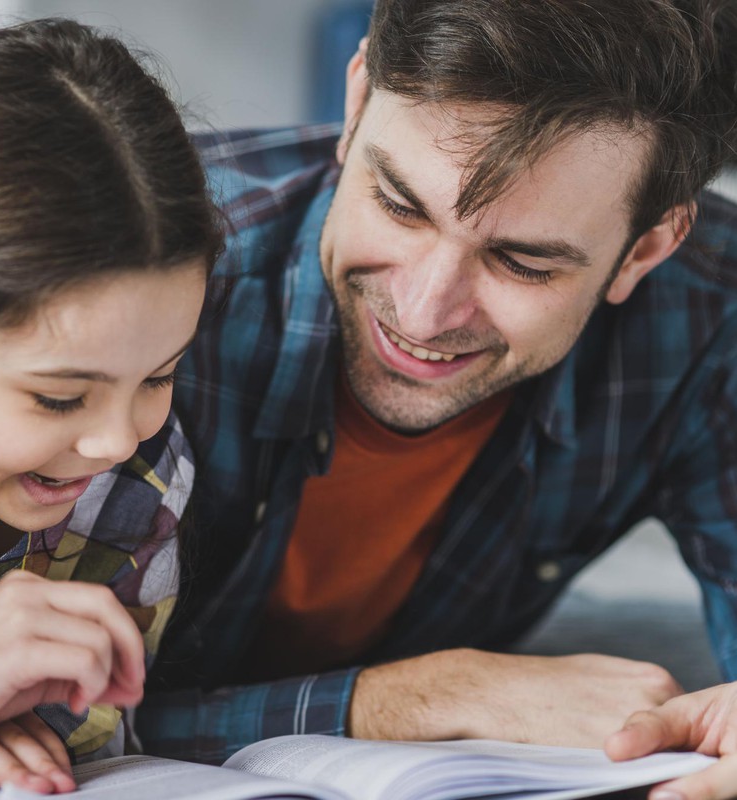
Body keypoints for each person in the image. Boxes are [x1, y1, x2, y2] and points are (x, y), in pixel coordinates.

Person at [136, 0, 737, 794]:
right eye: (398, 204)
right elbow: (46, 715)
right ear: (355, 104)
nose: (423, 314)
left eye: (523, 263)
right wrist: (426, 697)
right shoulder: (139, 271)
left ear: (649, 247)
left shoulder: (708, 316)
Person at [0, 16, 221, 794]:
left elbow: (75, 752)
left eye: (160, 376)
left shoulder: (138, 483)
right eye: (60, 397)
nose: (118, 440)